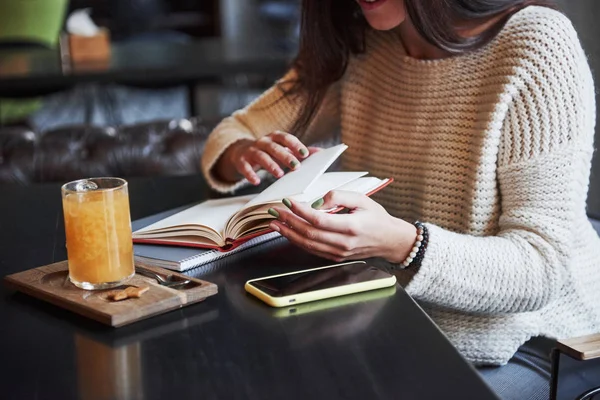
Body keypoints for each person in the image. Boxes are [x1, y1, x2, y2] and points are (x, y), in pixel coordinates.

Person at [201, 0, 600, 398]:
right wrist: (242, 154)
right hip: (389, 321)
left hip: (530, 343)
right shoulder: (360, 43)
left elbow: (542, 268)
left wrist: (405, 244)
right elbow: (233, 132)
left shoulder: (537, 44)